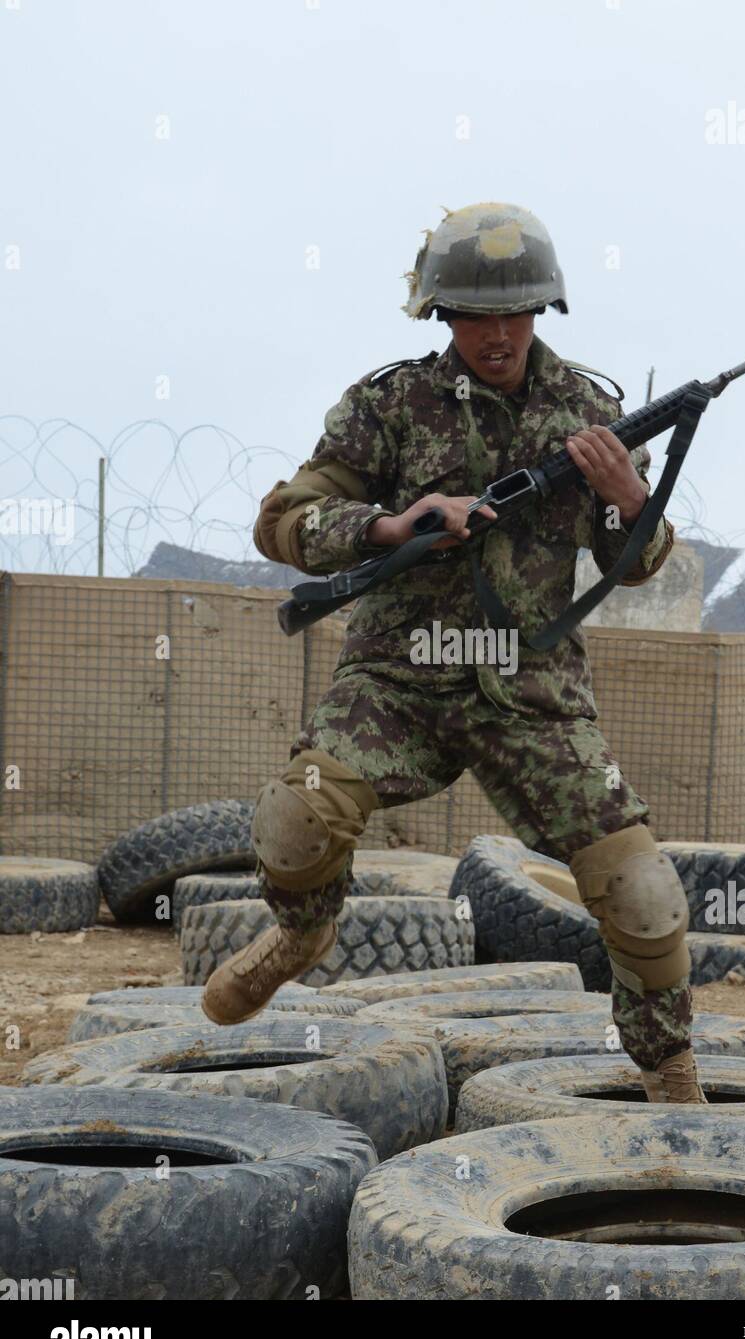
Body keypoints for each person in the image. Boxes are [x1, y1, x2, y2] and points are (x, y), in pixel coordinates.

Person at [202, 201, 707, 1104]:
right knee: (295, 814)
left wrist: (633, 498)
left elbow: (638, 567)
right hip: (397, 682)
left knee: (643, 891)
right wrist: (392, 523)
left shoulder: (588, 410)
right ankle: (299, 938)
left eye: (516, 312)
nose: (500, 333)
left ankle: (669, 1067)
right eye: (478, 313)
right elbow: (283, 521)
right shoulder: (388, 406)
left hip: (533, 696)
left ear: (543, 310)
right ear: (442, 313)